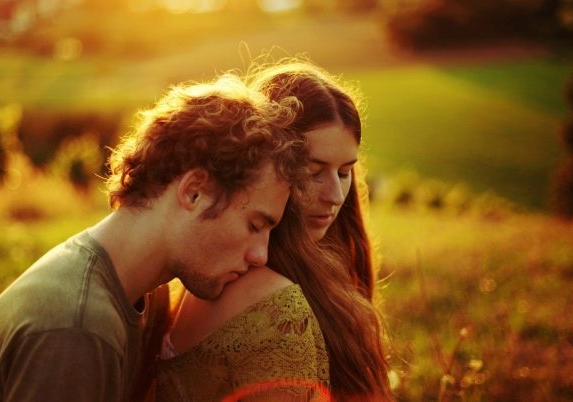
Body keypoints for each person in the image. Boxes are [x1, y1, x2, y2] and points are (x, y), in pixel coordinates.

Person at [0, 74, 310, 402]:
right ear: (194, 192)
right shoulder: (78, 328)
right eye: (255, 225)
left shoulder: (140, 298)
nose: (261, 255)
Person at [155, 61, 394, 401]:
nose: (335, 196)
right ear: (268, 165)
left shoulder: (215, 272)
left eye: (344, 173)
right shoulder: (273, 303)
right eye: (313, 172)